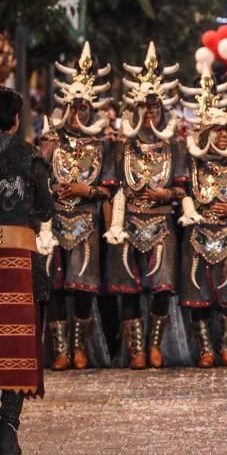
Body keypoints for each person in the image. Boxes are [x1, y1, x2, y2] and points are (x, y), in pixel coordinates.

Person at [104, 43, 185, 370]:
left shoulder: (174, 144)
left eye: (154, 107)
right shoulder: (122, 146)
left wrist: (164, 196)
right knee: (130, 289)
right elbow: (111, 188)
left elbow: (182, 188)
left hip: (162, 222)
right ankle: (136, 349)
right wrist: (113, 227)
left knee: (162, 288)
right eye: (144, 107)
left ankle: (154, 345)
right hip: (128, 222)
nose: (150, 113)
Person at [36, 43, 115, 371]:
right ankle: (60, 349)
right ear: (66, 106)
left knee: (82, 287)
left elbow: (111, 188)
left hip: (87, 220)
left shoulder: (102, 143)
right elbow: (36, 178)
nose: (79, 111)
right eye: (74, 105)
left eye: (84, 106)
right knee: (53, 285)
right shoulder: (51, 140)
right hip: (53, 221)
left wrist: (88, 189)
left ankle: (80, 347)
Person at [176, 66, 227, 367]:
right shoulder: (191, 160)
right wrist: (189, 208)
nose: (223, 137)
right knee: (197, 294)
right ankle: (205, 349)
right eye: (217, 131)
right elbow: (178, 190)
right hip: (197, 234)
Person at [0, 86, 55, 452]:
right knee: (17, 343)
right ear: (16, 120)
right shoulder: (31, 156)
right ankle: (7, 426)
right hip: (19, 259)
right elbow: (46, 210)